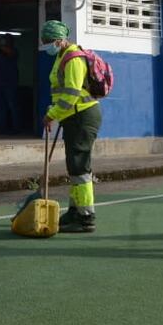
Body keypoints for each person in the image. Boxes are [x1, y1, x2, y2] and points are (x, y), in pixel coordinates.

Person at [40, 20, 100, 233]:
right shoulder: (62, 56)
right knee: (74, 166)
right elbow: (61, 92)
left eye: (48, 41)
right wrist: (56, 111)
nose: (46, 45)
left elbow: (72, 94)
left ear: (59, 40)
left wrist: (52, 115)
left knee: (80, 167)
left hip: (82, 116)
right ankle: (75, 211)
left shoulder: (73, 58)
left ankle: (86, 217)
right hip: (72, 116)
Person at [0, 36, 20, 134]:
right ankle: (1, 128)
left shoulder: (14, 52)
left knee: (12, 106)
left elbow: (10, 53)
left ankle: (16, 128)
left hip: (10, 84)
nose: (4, 42)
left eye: (6, 40)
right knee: (1, 107)